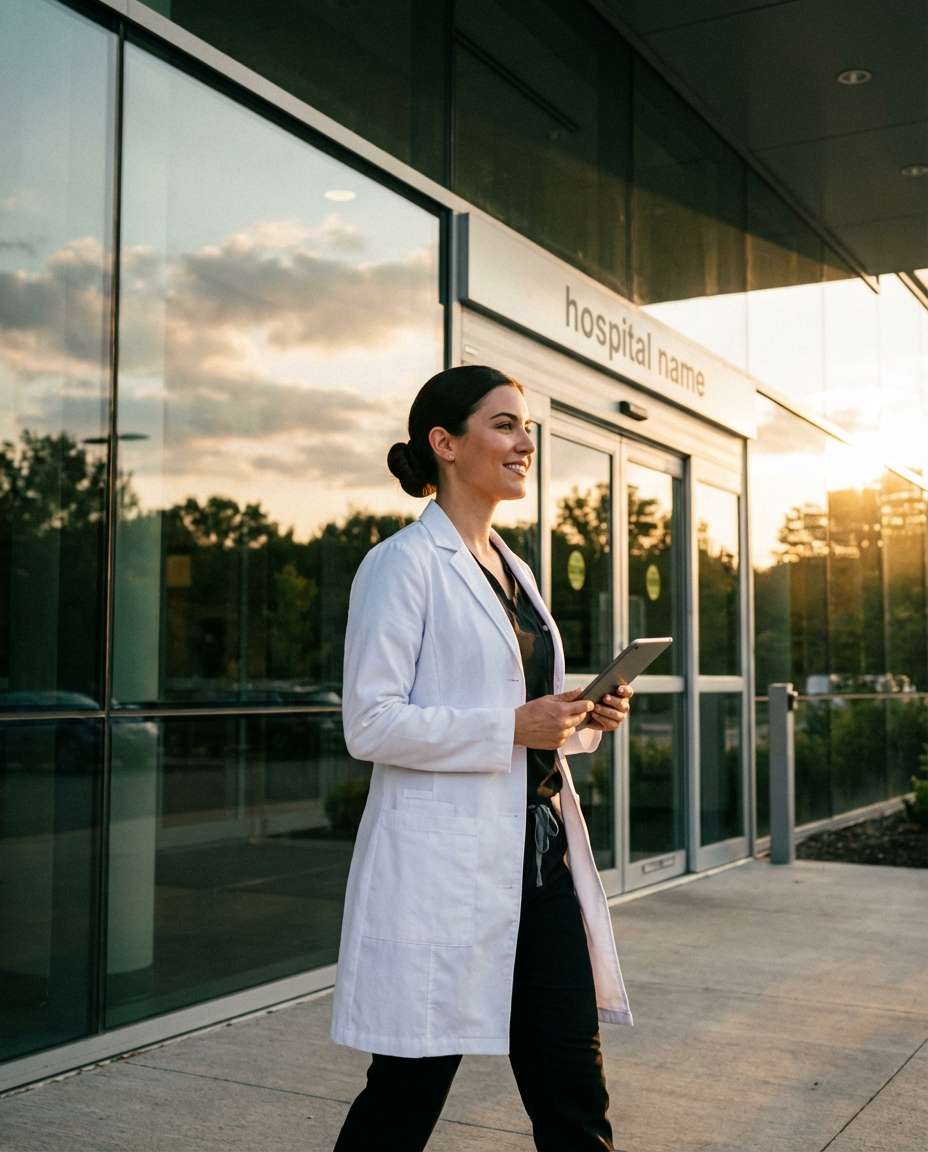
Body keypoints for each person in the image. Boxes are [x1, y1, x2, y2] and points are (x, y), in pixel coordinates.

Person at [330, 365, 634, 1152]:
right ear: (445, 442)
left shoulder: (514, 568)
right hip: (448, 871)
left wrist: (585, 717)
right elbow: (370, 724)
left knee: (574, 1092)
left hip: (540, 862)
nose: (525, 443)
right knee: (404, 1096)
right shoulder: (402, 565)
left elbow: (530, 714)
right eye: (504, 425)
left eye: (526, 428)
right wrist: (510, 727)